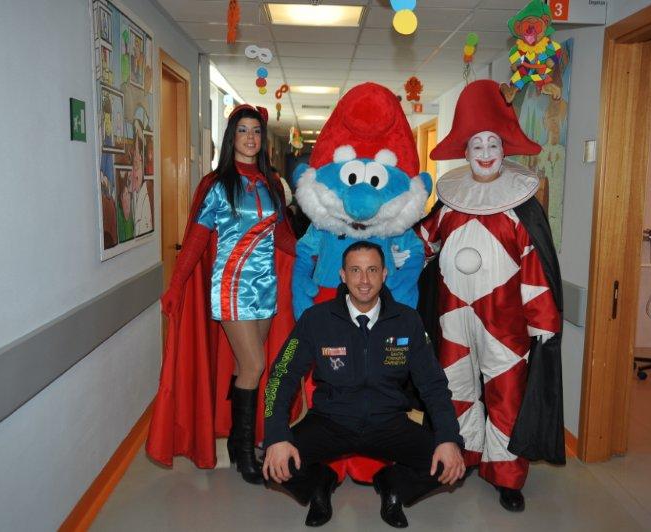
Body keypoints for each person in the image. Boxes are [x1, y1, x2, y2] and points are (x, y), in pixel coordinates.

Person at [418, 80, 564, 512]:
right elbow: (422, 244)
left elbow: (536, 268)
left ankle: (506, 475)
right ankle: (460, 459)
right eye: (476, 144)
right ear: (465, 152)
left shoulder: (522, 208)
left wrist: (543, 322)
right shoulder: (448, 205)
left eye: (493, 143)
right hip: (452, 319)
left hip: (506, 322)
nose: (485, 152)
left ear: (505, 149)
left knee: (507, 398)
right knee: (455, 390)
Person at [263, 241, 465, 528]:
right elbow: (281, 377)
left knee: (452, 460)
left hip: (389, 422)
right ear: (342, 275)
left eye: (372, 270)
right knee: (272, 462)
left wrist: (447, 437)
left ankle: (392, 484)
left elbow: (433, 384)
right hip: (331, 421)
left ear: (384, 273)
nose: (364, 280)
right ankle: (320, 483)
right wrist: (276, 436)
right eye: (355, 270)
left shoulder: (407, 321)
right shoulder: (316, 319)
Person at [146, 104, 296, 483]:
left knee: (247, 366)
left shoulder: (272, 185)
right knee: (254, 366)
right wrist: (176, 286)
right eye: (243, 130)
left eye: (256, 131)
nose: (250, 138)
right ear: (232, 137)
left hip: (266, 289)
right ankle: (244, 455)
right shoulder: (216, 185)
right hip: (231, 288)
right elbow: (196, 241)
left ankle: (237, 440)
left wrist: (318, 253)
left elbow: (283, 238)